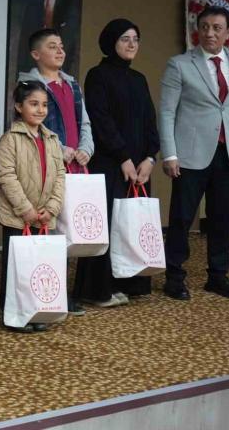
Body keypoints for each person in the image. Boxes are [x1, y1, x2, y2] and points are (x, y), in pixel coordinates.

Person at [159, 6, 229, 301]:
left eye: (217, 28)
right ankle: (174, 276)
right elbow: (166, 112)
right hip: (190, 154)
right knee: (182, 217)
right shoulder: (180, 64)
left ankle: (218, 275)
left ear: (228, 33)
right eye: (204, 27)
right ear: (198, 30)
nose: (210, 33)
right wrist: (169, 154)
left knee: (221, 217)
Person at [73, 18, 161, 307]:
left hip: (140, 168)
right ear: (111, 42)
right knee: (108, 225)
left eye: (135, 39)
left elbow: (150, 121)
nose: (132, 44)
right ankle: (98, 290)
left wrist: (150, 158)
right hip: (110, 164)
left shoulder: (139, 79)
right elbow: (101, 120)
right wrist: (123, 157)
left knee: (132, 223)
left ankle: (130, 283)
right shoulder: (97, 75)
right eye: (125, 38)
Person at [18, 28, 93, 315]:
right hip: (48, 165)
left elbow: (84, 122)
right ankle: (45, 291)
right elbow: (33, 125)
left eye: (61, 46)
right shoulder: (29, 85)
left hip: (75, 165)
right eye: (52, 46)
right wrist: (58, 149)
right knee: (48, 229)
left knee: (70, 230)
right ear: (36, 54)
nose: (60, 51)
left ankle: (63, 291)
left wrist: (86, 148)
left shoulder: (72, 84)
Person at [0, 80, 65, 332]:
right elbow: (6, 176)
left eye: (44, 105)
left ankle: (35, 310)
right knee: (16, 265)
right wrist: (26, 209)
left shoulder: (52, 139)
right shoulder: (9, 139)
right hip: (17, 215)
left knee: (36, 264)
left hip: (43, 214)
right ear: (18, 106)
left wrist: (53, 207)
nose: (40, 109)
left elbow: (60, 175)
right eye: (33, 104)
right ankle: (13, 315)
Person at [16, 0, 79, 75]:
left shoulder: (67, 9)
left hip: (58, 71)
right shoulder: (32, 8)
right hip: (33, 69)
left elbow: (71, 45)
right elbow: (24, 42)